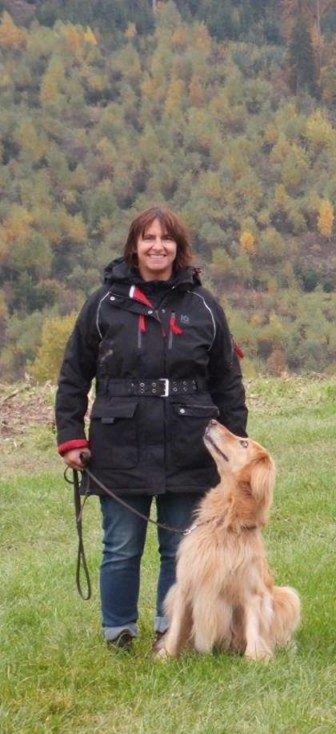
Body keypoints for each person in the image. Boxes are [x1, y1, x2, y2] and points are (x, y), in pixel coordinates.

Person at [55, 206, 248, 651]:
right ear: (134, 246)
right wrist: (70, 436)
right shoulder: (102, 303)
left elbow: (227, 381)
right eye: (148, 238)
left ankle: (171, 629)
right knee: (122, 546)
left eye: (166, 238)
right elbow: (73, 374)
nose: (157, 246)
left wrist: (235, 449)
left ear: (178, 247)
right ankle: (118, 632)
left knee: (177, 547)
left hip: (190, 443)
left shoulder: (203, 306)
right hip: (119, 443)